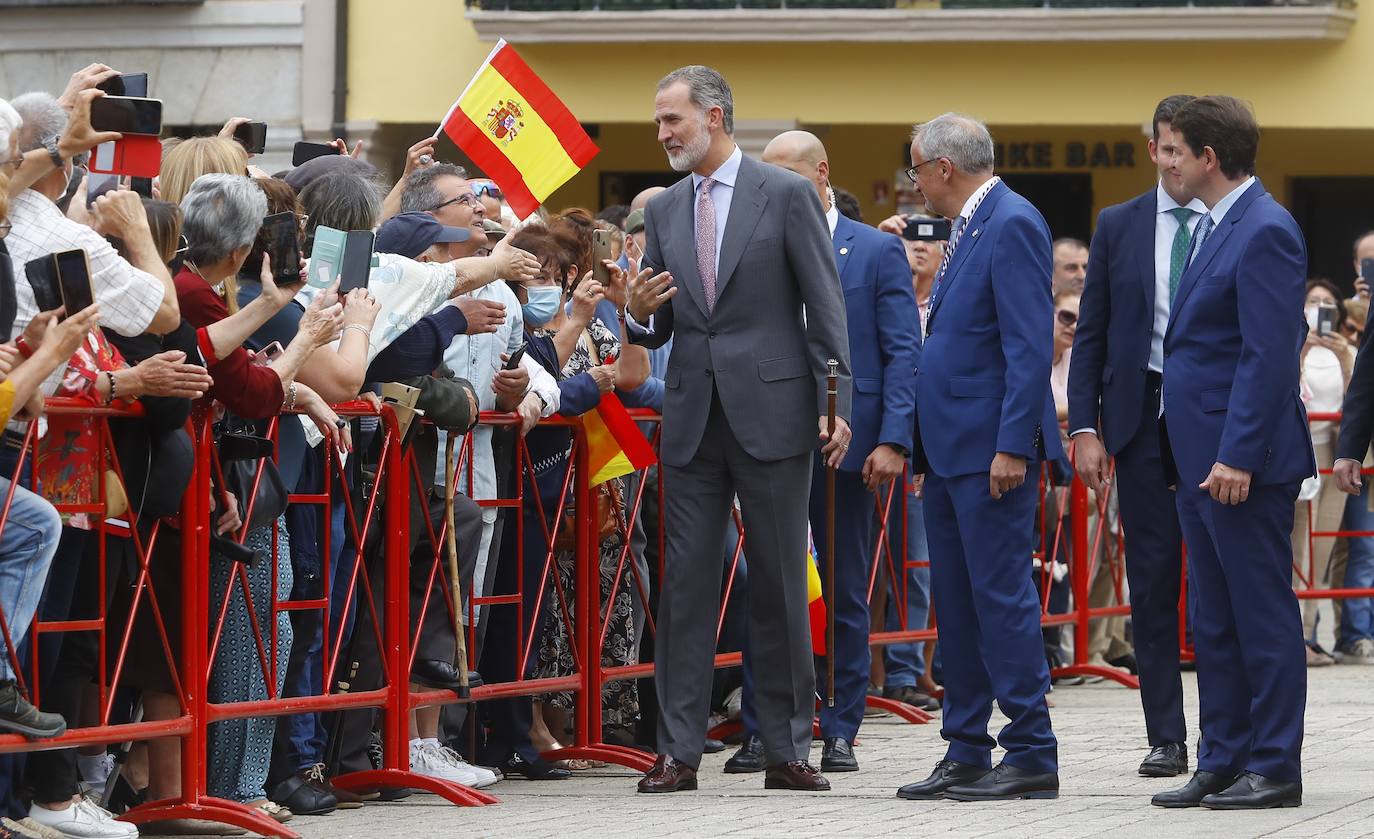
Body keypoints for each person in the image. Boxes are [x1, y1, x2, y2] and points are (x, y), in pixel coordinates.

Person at [626, 65, 852, 794]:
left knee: (782, 584)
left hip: (777, 414)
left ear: (714, 116)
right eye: (660, 122)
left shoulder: (784, 194)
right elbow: (656, 318)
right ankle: (678, 752)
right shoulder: (663, 210)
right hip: (691, 416)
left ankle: (787, 748)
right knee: (685, 590)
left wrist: (835, 404)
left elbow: (826, 308)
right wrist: (633, 308)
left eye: (672, 120)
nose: (662, 134)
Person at [882, 113, 1061, 802]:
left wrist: (1014, 444)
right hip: (956, 449)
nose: (915, 182)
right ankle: (965, 745)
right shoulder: (975, 223)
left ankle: (1031, 747)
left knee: (1001, 599)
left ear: (943, 167)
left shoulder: (1011, 220)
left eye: (916, 169)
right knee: (958, 605)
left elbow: (1026, 344)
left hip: (992, 450)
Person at [1153, 95, 1311, 811]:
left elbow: (1268, 356)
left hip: (1242, 464)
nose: (1165, 162)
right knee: (1213, 619)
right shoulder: (1221, 225)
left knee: (1260, 616)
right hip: (1200, 461)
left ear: (1208, 158)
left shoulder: (1265, 229)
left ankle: (1274, 765)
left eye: (1173, 149)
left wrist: (1239, 454)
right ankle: (1223, 756)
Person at [752, 130, 918, 774]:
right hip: (769, 436)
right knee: (773, 587)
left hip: (852, 443)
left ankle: (842, 722)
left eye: (785, 175)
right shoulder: (760, 244)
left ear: (820, 173)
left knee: (846, 589)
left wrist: (894, 438)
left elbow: (903, 349)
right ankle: (771, 725)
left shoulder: (875, 249)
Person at [1067, 95, 1204, 779]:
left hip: (1211, 418)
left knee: (1215, 579)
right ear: (1152, 149)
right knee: (1152, 580)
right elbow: (1091, 332)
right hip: (1140, 420)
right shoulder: (1119, 224)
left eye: (1185, 149)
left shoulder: (1225, 221)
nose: (1173, 160)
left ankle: (1237, 729)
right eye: (1165, 147)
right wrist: (1086, 425)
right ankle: (1166, 734)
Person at [1293, 280, 1353, 667]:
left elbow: (1358, 399)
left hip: (1332, 457)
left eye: (1328, 302)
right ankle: (1290, 637)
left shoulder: (1346, 350)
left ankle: (1309, 636)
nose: (1319, 307)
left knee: (1321, 551)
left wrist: (1346, 357)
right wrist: (1301, 347)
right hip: (1295, 454)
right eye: (1312, 301)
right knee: (1292, 550)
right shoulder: (1290, 339)